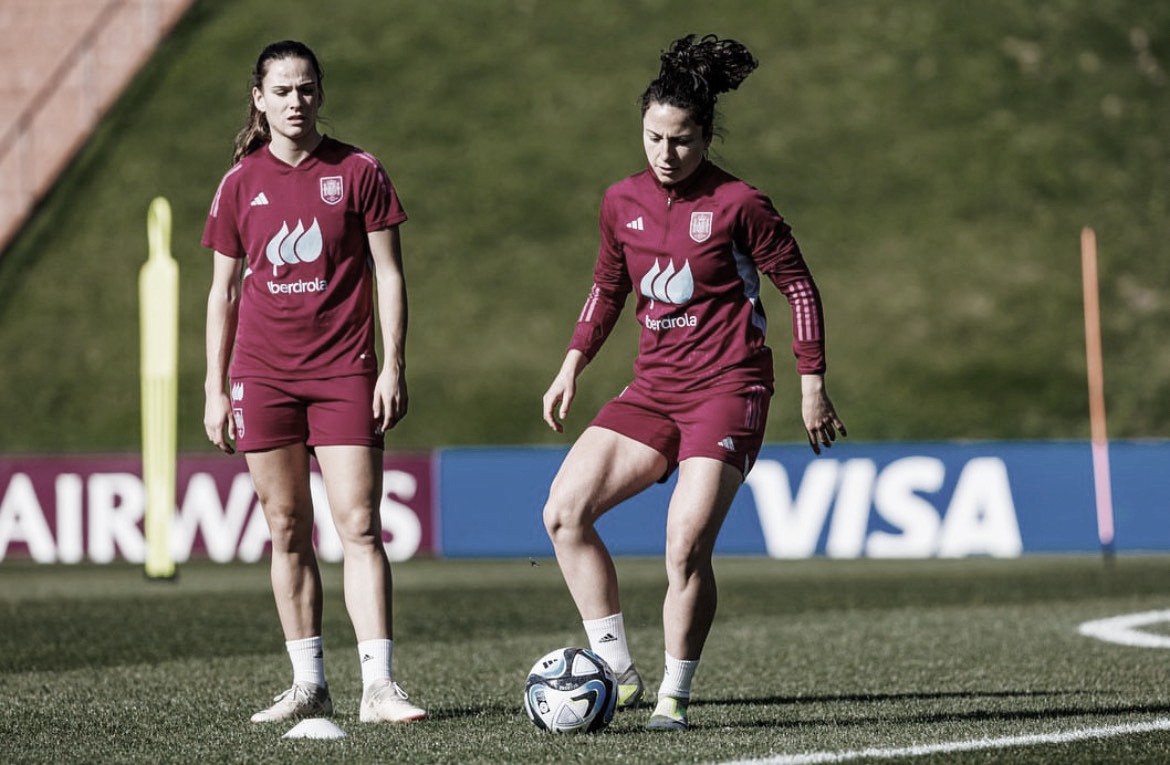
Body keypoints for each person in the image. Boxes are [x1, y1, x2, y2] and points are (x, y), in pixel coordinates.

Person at [541, 34, 846, 732]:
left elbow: (797, 284)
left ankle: (674, 697)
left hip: (729, 388)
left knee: (684, 543)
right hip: (653, 389)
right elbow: (606, 288)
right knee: (563, 513)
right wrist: (571, 363)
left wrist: (811, 382)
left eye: (680, 140)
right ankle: (615, 668)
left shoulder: (741, 203)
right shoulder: (620, 201)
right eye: (652, 136)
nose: (665, 153)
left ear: (705, 135)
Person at [202, 39, 425, 724]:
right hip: (262, 375)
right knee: (287, 527)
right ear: (259, 99)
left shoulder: (359, 170)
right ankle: (308, 683)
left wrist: (393, 363)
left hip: (345, 370)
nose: (296, 101)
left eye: (306, 89)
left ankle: (380, 686)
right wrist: (214, 387)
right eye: (283, 90)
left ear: (319, 94)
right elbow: (223, 294)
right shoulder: (239, 182)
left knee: (359, 524)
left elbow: (389, 273)